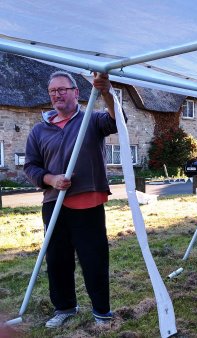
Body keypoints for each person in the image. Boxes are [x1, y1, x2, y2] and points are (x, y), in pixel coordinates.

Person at [24, 71, 120, 328]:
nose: (57, 94)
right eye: (53, 91)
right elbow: (30, 166)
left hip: (87, 201)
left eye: (62, 89)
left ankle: (102, 312)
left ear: (76, 93)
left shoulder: (91, 119)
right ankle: (65, 307)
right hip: (53, 203)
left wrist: (107, 93)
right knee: (57, 258)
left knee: (93, 258)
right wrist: (50, 179)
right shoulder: (39, 130)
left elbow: (116, 121)